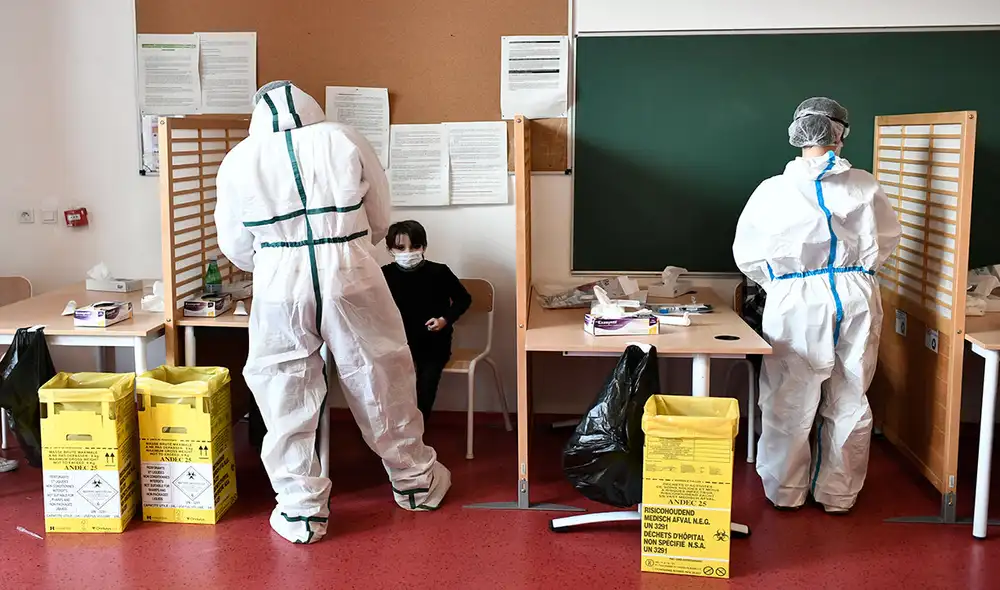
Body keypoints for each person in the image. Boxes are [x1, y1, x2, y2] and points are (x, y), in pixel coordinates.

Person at [215, 81, 450, 544]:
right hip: (349, 267)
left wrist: (275, 258)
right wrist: (352, 245)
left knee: (283, 388)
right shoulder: (343, 136)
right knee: (379, 374)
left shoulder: (240, 157)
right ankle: (415, 482)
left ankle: (301, 511)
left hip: (278, 278)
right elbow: (380, 214)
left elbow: (235, 243)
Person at [732, 97, 901, 513]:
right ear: (841, 133)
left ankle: (785, 491)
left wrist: (783, 284)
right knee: (850, 395)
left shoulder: (773, 190)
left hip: (795, 302)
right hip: (855, 295)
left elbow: (748, 255)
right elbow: (887, 240)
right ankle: (838, 494)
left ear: (798, 133)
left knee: (788, 396)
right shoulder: (865, 185)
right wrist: (854, 274)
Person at [381, 220, 472, 421]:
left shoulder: (439, 272)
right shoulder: (384, 274)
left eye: (415, 246)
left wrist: (444, 320)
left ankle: (419, 425)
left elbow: (463, 299)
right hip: (397, 341)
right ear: (390, 249)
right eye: (400, 248)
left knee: (426, 383)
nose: (408, 252)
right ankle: (396, 425)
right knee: (390, 381)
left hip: (433, 341)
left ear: (424, 247)